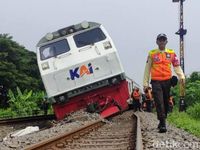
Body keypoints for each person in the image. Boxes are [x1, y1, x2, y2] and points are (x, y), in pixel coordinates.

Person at [143, 33, 185, 133]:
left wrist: (181, 76)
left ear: (166, 41)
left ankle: (162, 118)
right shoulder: (152, 53)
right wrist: (145, 83)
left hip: (167, 82)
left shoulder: (171, 53)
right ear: (157, 42)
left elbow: (176, 66)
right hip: (156, 82)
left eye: (163, 40)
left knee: (166, 103)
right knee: (159, 102)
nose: (162, 42)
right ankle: (162, 124)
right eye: (160, 40)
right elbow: (147, 69)